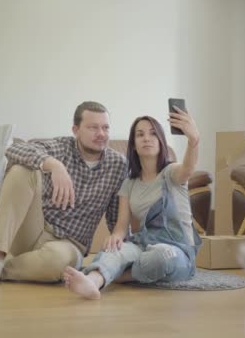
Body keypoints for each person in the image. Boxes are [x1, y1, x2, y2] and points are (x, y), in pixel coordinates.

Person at [0, 101, 128, 289]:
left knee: (61, 263)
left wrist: (120, 256)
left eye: (105, 127)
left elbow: (116, 219)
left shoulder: (118, 164)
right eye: (93, 127)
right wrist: (54, 165)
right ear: (76, 130)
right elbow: (13, 149)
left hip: (69, 246)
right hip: (33, 230)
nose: (101, 134)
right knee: (21, 171)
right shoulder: (62, 148)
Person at [63, 108, 202, 299]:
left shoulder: (171, 173)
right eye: (140, 134)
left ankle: (121, 275)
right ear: (134, 145)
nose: (147, 138)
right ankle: (93, 282)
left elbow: (188, 169)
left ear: (161, 142)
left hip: (177, 252)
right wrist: (116, 238)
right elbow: (121, 227)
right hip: (143, 244)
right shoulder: (129, 183)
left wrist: (193, 140)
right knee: (115, 249)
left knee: (159, 257)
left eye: (153, 134)